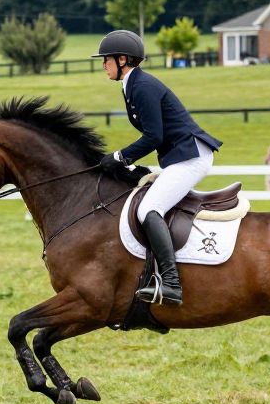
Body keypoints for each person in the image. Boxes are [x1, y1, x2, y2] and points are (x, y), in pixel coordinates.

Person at [94, 29, 222, 306]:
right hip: (179, 156)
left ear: (123, 59)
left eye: (106, 59)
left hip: (191, 156)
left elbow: (154, 136)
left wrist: (120, 157)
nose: (103, 64)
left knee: (148, 209)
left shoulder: (142, 86)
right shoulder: (132, 85)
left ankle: (171, 283)